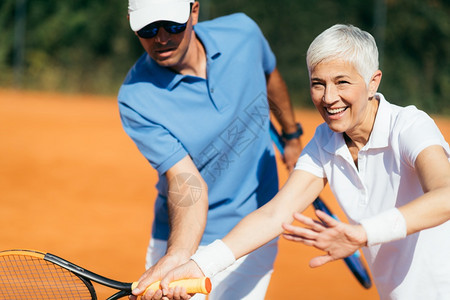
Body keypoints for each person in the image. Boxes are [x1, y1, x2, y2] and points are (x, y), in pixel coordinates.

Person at [158, 24, 450, 300]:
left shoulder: (410, 126)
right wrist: (200, 265)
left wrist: (364, 233)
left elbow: (447, 196)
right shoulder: (325, 142)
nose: (329, 97)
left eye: (342, 82)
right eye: (318, 84)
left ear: (373, 81)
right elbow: (275, 214)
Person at [117, 0, 303, 299]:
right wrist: (179, 255)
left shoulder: (243, 33)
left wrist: (292, 135)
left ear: (194, 11)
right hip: (187, 240)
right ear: (131, 22)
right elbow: (184, 180)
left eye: (171, 25)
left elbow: (270, 76)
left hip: (255, 235)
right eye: (148, 29)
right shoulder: (135, 97)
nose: (161, 38)